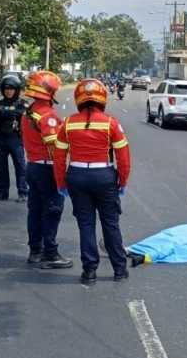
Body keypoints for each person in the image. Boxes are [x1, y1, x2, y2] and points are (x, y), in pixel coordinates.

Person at [53, 78, 131, 284]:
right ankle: (119, 270)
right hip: (104, 177)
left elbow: (59, 158)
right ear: (102, 98)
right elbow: (123, 158)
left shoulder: (68, 123)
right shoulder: (110, 123)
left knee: (86, 225)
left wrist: (61, 184)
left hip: (77, 177)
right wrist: (122, 182)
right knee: (110, 223)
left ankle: (89, 271)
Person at [21, 71, 74, 269]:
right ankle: (50, 253)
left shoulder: (29, 112)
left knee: (34, 210)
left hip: (33, 166)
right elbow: (54, 149)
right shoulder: (47, 115)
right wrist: (63, 174)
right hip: (47, 169)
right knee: (52, 210)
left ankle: (35, 250)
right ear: (49, 91)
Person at [0, 74, 29, 202]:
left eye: (11, 89)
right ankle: (2, 192)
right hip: (0, 139)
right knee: (0, 166)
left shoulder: (22, 103)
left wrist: (4, 112)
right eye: (6, 89)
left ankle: (23, 192)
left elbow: (21, 114)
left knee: (20, 166)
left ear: (16, 90)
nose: (9, 91)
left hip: (15, 139)